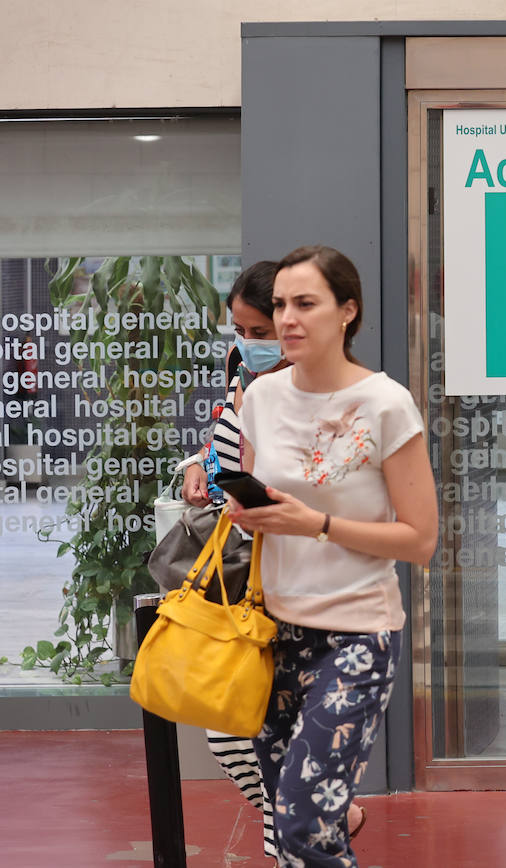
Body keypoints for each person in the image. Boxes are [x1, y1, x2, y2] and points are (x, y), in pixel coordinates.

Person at [231, 245, 438, 866]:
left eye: (306, 304)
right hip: (270, 634)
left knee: (301, 824)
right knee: (294, 831)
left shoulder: (385, 403)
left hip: (355, 635)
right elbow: (251, 495)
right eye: (280, 305)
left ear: (347, 312)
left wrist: (317, 523)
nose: (288, 319)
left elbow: (420, 540)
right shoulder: (260, 399)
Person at [180, 260, 327, 860]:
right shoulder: (242, 371)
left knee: (254, 728)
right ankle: (305, 826)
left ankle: (296, 834)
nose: (247, 344)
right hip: (240, 568)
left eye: (259, 332)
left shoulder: (319, 389)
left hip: (294, 578)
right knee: (233, 728)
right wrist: (196, 465)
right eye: (239, 330)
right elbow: (225, 440)